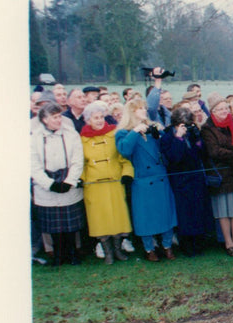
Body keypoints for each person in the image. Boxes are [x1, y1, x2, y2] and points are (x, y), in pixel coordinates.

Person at [115, 97, 178, 262]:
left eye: (144, 107)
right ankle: (149, 248)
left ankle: (167, 245)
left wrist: (159, 132)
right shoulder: (124, 132)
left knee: (166, 213)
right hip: (143, 181)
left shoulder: (152, 127)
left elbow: (165, 147)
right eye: (140, 108)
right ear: (132, 112)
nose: (144, 110)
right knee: (145, 217)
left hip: (161, 177)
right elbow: (124, 150)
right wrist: (135, 132)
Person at [30, 103, 86, 266]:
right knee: (54, 226)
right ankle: (58, 255)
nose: (58, 120)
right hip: (47, 184)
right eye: (54, 117)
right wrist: (49, 184)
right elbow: (33, 165)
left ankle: (73, 253)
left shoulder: (71, 134)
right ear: (45, 119)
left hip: (67, 181)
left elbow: (77, 159)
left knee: (70, 225)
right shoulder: (34, 138)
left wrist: (70, 181)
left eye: (59, 116)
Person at [80, 101, 133, 264]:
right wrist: (81, 179)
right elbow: (79, 162)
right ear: (88, 120)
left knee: (118, 218)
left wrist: (127, 174)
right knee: (100, 220)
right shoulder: (81, 139)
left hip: (114, 184)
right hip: (94, 186)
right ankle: (108, 252)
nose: (99, 120)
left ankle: (118, 250)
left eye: (101, 116)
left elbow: (123, 158)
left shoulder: (114, 134)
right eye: (95, 118)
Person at [201, 93, 233, 256]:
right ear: (212, 111)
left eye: (225, 108)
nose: (224, 111)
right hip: (221, 176)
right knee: (224, 212)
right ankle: (228, 243)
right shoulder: (208, 128)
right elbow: (214, 151)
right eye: (220, 109)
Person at [160, 106, 213, 257]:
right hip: (180, 181)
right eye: (183, 124)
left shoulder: (192, 133)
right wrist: (178, 138)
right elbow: (173, 158)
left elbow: (202, 154)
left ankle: (199, 242)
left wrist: (197, 139)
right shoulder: (167, 137)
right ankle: (187, 245)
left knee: (198, 211)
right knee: (184, 214)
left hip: (195, 179)